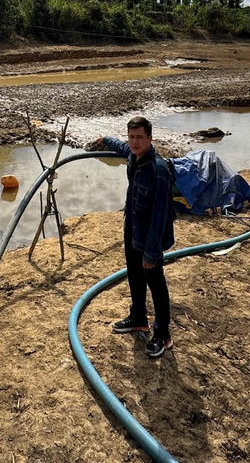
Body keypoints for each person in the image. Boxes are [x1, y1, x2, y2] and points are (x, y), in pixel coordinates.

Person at [94, 116, 176, 358]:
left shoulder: (158, 170)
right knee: (135, 276)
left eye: (140, 137)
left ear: (150, 138)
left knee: (156, 283)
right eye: (132, 137)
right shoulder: (133, 155)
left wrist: (151, 252)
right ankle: (139, 317)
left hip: (149, 237)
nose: (135, 142)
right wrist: (106, 140)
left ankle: (163, 333)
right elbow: (122, 148)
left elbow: (160, 217)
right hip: (132, 230)